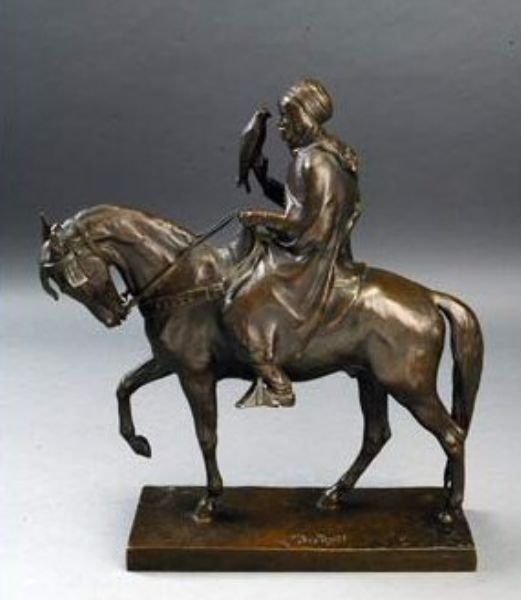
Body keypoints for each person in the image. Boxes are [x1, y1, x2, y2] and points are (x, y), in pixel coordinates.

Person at [226, 79, 362, 408]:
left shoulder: (314, 161)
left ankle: (276, 381)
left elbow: (303, 222)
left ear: (305, 118)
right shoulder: (325, 155)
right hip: (314, 246)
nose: (281, 126)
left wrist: (258, 217)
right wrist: (263, 179)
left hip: (311, 256)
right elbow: (298, 205)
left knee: (243, 300)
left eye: (288, 118)